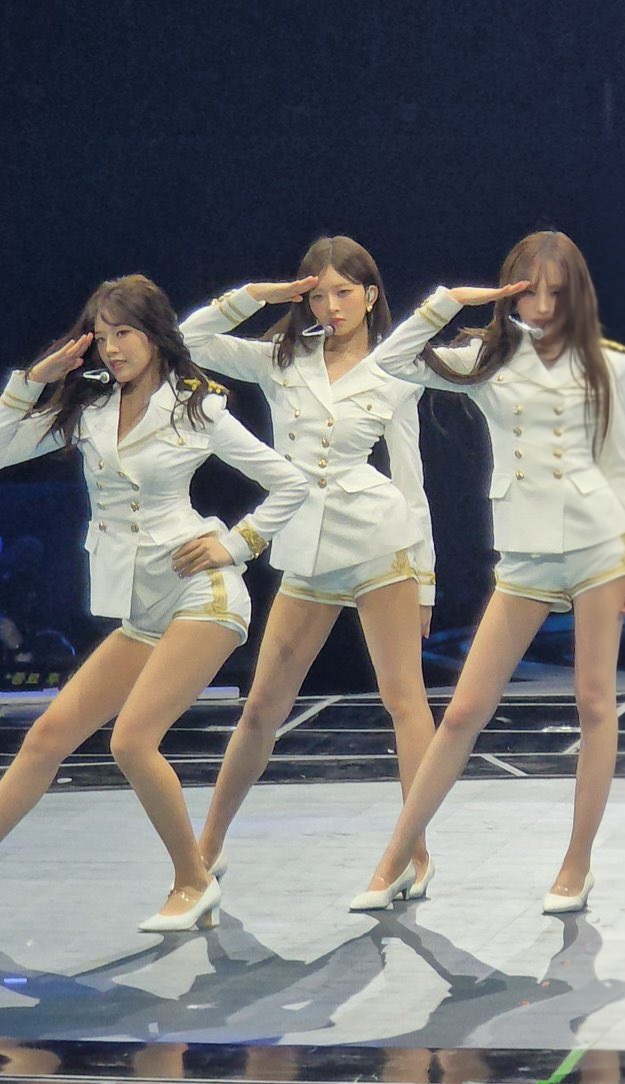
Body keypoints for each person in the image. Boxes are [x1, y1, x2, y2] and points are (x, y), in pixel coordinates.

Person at [0, 274, 307, 932]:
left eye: (125, 333)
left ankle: (192, 881)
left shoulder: (195, 406)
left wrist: (235, 544)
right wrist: (33, 380)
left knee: (132, 740)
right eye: (103, 335)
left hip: (202, 594)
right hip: (142, 609)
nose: (112, 347)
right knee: (48, 737)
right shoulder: (88, 408)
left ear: (156, 334)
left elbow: (290, 483)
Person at [350, 230, 625, 914]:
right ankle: (396, 857)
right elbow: (389, 360)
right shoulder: (486, 359)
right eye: (529, 290)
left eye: (556, 292)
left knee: (594, 702)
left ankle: (576, 865)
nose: (542, 304)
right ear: (510, 291)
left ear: (576, 293)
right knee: (463, 710)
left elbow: (620, 460)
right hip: (524, 551)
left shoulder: (608, 362)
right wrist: (450, 301)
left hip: (599, 542)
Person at [178, 236, 441, 897]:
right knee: (262, 706)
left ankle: (413, 855)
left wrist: (427, 579)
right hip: (306, 547)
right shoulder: (283, 357)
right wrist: (257, 296)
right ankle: (207, 847)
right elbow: (190, 341)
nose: (331, 306)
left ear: (371, 295)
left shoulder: (396, 366)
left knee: (404, 701)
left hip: (380, 541)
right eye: (318, 295)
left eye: (343, 292)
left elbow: (411, 478)